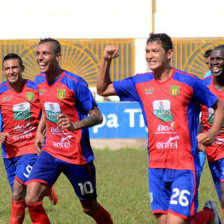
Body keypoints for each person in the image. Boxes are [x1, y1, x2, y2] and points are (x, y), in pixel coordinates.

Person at [96, 33, 224, 224]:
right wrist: (106, 60)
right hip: (155, 165)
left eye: (155, 51)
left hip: (184, 166)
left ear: (169, 53)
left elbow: (219, 106)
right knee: (165, 221)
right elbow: (103, 89)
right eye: (147, 51)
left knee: (175, 222)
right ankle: (209, 215)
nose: (149, 55)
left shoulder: (188, 81)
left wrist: (212, 134)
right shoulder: (139, 82)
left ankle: (209, 215)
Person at [25, 38, 113, 224]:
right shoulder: (39, 81)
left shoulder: (75, 83)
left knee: (89, 207)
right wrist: (40, 131)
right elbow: (47, 107)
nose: (40, 58)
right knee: (31, 199)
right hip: (50, 151)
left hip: (77, 156)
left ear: (58, 57)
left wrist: (74, 126)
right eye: (38, 54)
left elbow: (98, 116)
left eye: (45, 53)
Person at [0, 53, 58, 224]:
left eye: (15, 67)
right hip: (9, 152)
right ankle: (45, 188)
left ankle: (42, 185)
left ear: (22, 68)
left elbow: (49, 109)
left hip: (32, 148)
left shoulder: (35, 88)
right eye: (7, 68)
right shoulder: (1, 92)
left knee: (17, 191)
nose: (11, 71)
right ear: (3, 71)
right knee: (24, 200)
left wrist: (41, 132)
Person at [200, 45, 224, 223]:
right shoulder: (203, 87)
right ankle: (212, 216)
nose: (215, 62)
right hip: (211, 147)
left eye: (220, 59)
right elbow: (198, 116)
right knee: (221, 193)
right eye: (213, 59)